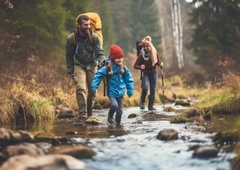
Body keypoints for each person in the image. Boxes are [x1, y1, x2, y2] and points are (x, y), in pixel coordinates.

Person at [66, 15, 106, 117]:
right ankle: (82, 114)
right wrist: (70, 70)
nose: (88, 27)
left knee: (93, 91)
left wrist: (103, 63)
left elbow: (100, 53)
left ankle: (89, 110)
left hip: (92, 65)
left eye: (89, 24)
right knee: (81, 88)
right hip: (78, 65)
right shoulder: (71, 38)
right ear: (79, 25)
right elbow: (69, 55)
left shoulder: (94, 37)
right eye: (85, 25)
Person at [91, 45, 134, 124]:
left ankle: (118, 125)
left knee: (120, 112)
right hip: (111, 91)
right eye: (118, 58)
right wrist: (94, 86)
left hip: (121, 92)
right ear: (113, 58)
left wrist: (130, 90)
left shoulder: (124, 68)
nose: (120, 60)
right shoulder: (108, 68)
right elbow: (98, 75)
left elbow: (129, 79)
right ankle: (110, 117)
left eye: (121, 58)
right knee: (114, 105)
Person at [134, 36, 163, 110]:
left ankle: (150, 106)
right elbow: (135, 65)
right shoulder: (141, 54)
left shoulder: (155, 52)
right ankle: (142, 102)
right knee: (145, 88)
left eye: (147, 46)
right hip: (146, 73)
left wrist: (161, 64)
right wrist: (141, 67)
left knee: (153, 88)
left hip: (153, 72)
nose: (146, 48)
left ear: (150, 45)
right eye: (144, 46)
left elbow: (158, 62)